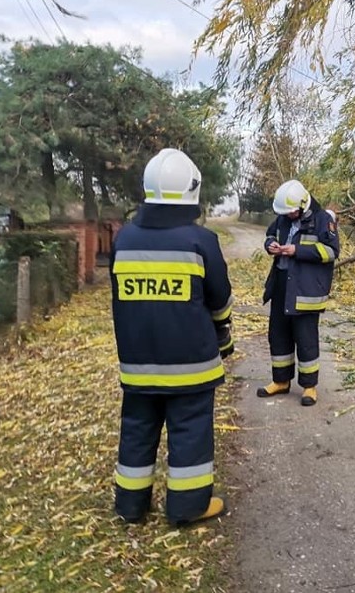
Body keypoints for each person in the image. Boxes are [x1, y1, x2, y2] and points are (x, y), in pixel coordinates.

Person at [109, 148, 234, 526]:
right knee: (191, 433)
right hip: (191, 368)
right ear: (191, 190)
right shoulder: (202, 241)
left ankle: (130, 506)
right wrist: (223, 338)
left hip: (138, 365)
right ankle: (188, 506)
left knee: (136, 431)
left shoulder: (124, 239)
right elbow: (220, 300)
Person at [257, 179, 339, 406]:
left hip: (306, 289)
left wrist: (297, 250)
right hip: (282, 285)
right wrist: (271, 245)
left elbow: (332, 251)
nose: (288, 216)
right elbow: (270, 234)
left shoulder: (323, 220)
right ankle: (281, 382)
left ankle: (309, 387)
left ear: (303, 204)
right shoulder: (283, 217)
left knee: (306, 339)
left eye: (292, 212)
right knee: (278, 335)